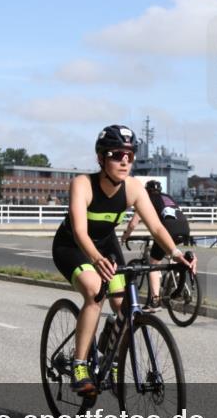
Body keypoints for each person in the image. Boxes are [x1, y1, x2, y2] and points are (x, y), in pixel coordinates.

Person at [51, 125, 196, 394]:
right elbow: (81, 231)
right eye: (117, 154)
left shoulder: (133, 189)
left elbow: (157, 228)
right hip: (72, 245)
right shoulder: (82, 184)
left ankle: (112, 359)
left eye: (130, 155)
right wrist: (95, 259)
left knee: (127, 308)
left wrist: (176, 255)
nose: (125, 161)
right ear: (101, 159)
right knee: (95, 292)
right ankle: (80, 364)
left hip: (106, 245)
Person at [121, 180, 190, 311]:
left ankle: (155, 301)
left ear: (147, 191)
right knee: (171, 251)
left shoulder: (147, 199)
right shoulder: (167, 197)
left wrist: (125, 236)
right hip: (184, 228)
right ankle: (177, 274)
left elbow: (133, 224)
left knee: (154, 262)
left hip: (168, 229)